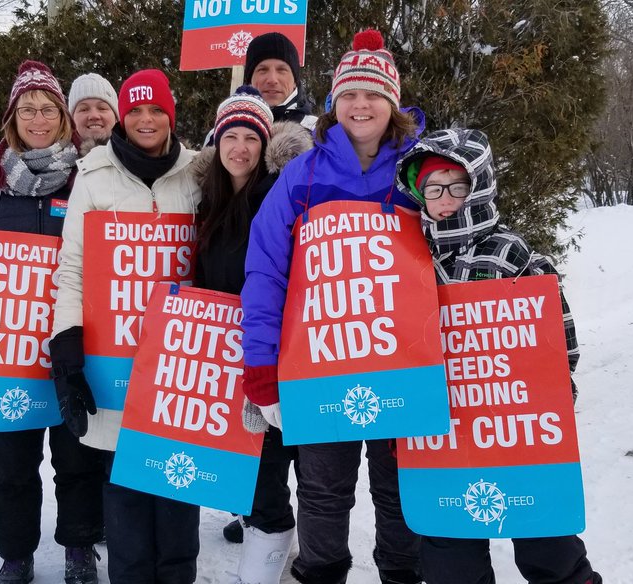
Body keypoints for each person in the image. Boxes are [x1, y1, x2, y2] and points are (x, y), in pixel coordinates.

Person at [239, 30, 425, 584]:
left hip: (402, 361)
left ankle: (401, 575)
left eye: (372, 95)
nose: (360, 106)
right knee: (322, 491)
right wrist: (261, 366)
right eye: (349, 95)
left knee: (399, 489)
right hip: (321, 363)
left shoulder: (419, 171)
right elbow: (266, 271)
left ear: (392, 103)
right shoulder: (304, 174)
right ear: (333, 103)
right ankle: (320, 573)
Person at [394, 128, 603, 584]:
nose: (445, 199)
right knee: (449, 545)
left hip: (513, 428)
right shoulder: (406, 258)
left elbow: (557, 337)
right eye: (432, 188)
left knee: (545, 537)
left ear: (478, 188)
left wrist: (554, 395)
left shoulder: (511, 253)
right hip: (441, 432)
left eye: (455, 186)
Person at [50, 68, 202, 584]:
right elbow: (72, 267)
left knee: (177, 483)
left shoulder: (197, 173)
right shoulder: (93, 176)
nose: (145, 119)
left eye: (156, 109)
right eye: (135, 110)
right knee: (126, 490)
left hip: (180, 360)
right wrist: (67, 344)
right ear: (122, 118)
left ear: (170, 116)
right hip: (114, 360)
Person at [0, 60, 103, 584]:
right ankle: (15, 553)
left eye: (48, 109)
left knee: (77, 455)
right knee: (8, 462)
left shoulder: (86, 176)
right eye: (28, 110)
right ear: (12, 118)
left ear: (63, 117)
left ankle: (79, 547)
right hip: (7, 345)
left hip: (72, 341)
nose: (38, 119)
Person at [188, 86, 312, 583]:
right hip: (227, 351)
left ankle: (270, 554)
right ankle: (273, 541)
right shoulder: (210, 200)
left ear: (266, 145)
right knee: (250, 471)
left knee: (270, 474)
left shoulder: (277, 197)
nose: (240, 148)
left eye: (251, 138)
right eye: (230, 137)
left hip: (272, 353)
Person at [68, 72, 118, 154]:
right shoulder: (54, 159)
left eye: (102, 108)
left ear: (116, 117)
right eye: (84, 109)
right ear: (72, 119)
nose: (94, 116)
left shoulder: (135, 156)